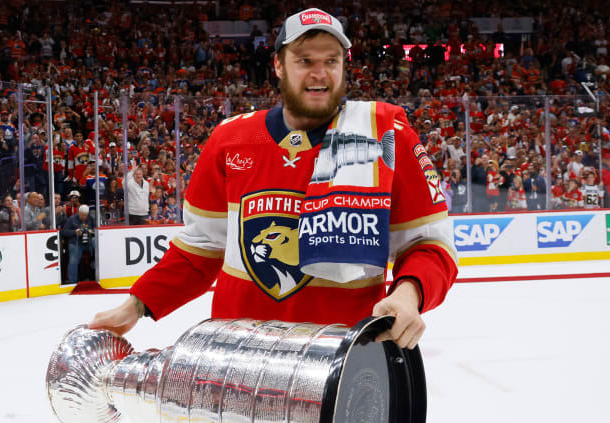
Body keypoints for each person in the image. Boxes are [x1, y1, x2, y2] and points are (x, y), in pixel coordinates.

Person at [89, 8, 458, 350]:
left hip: (343, 361)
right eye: (305, 61)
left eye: (331, 61)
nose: (320, 73)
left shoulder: (387, 137)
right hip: (238, 357)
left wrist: (408, 294)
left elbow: (431, 246)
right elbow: (199, 249)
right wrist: (136, 305)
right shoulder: (229, 139)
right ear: (279, 65)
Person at [61, 204, 96, 284]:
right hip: (76, 242)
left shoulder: (91, 218)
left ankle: (97, 270)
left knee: (98, 247)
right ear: (78, 212)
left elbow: (97, 229)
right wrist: (74, 232)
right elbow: (64, 232)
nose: (84, 217)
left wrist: (92, 231)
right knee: (73, 260)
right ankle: (72, 281)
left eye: (85, 215)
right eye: (82, 215)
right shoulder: (71, 219)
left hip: (89, 241)